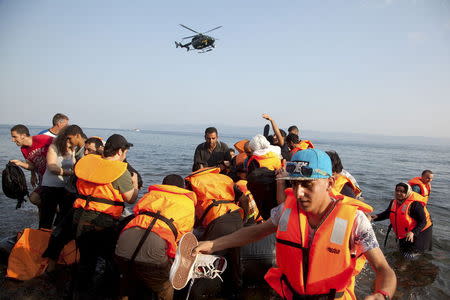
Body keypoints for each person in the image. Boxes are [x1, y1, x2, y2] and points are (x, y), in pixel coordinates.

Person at [194, 149, 396, 300]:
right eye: (295, 184)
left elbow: (382, 268)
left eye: (307, 185)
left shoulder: (355, 220)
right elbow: (257, 231)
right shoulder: (287, 210)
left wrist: (382, 294)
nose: (299, 193)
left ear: (330, 182)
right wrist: (212, 245)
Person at [72, 134, 139, 295]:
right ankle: (105, 292)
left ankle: (79, 292)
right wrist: (135, 183)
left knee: (86, 259)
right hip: (101, 222)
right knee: (112, 259)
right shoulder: (120, 171)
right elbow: (131, 199)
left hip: (79, 217)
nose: (125, 155)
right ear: (119, 152)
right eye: (125, 152)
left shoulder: (88, 163)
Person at [115, 174, 197, 300]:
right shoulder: (188, 204)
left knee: (127, 281)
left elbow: (137, 214)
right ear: (184, 187)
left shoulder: (150, 196)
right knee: (164, 286)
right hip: (153, 251)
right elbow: (186, 238)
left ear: (163, 185)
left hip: (124, 243)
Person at [185, 167, 244, 298]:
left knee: (207, 264)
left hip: (218, 221)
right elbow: (240, 195)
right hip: (236, 217)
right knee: (234, 261)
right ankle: (235, 292)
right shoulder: (224, 178)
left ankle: (199, 294)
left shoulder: (193, 182)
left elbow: (190, 208)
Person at [372, 183, 432, 258]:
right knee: (402, 251)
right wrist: (375, 217)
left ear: (407, 192)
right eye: (397, 190)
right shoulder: (393, 202)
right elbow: (388, 213)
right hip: (406, 230)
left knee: (412, 254)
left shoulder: (415, 204)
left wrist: (413, 232)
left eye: (402, 191)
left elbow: (423, 221)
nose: (398, 193)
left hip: (422, 230)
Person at [39, 127, 76, 229]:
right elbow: (52, 167)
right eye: (67, 139)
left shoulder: (73, 150)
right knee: (47, 217)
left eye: (70, 139)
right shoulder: (54, 147)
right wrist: (71, 173)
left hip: (65, 188)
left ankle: (55, 240)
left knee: (63, 217)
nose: (69, 141)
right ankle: (40, 240)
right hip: (50, 186)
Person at [10, 124, 54, 206]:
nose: (12, 140)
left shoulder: (40, 138)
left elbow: (61, 145)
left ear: (23, 135)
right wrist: (20, 163)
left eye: (14, 137)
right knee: (34, 199)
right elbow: (32, 166)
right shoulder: (23, 149)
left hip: (54, 176)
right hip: (43, 179)